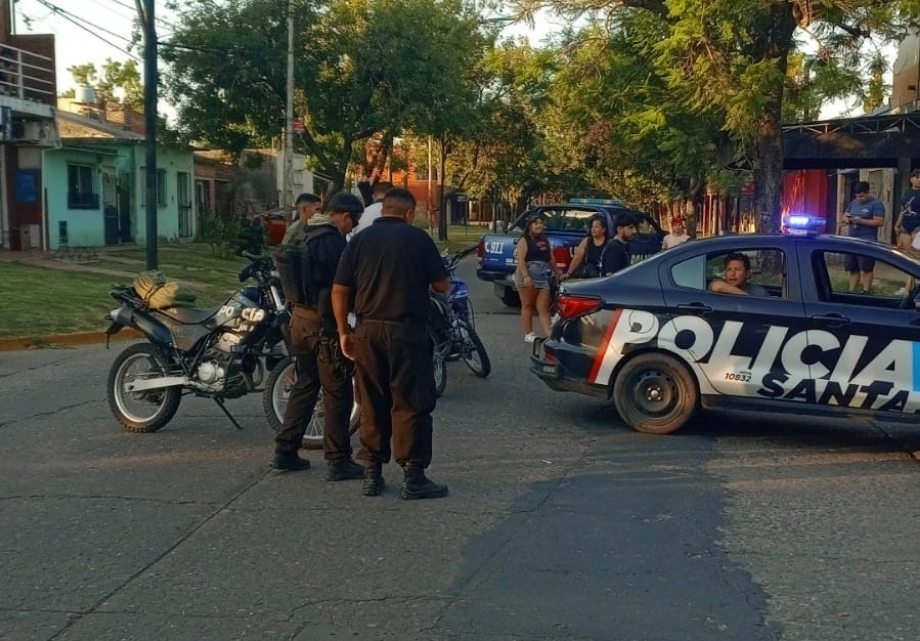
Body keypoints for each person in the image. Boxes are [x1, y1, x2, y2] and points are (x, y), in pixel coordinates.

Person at [331, 188, 451, 500]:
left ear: (383, 210)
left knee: (371, 401)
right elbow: (441, 285)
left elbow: (340, 289)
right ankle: (413, 476)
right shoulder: (418, 239)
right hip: (407, 332)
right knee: (411, 402)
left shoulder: (358, 240)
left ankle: (372, 473)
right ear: (408, 213)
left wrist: (344, 331)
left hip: (367, 332)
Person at [271, 193, 366, 478]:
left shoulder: (303, 231)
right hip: (322, 326)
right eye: (355, 221)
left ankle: (285, 452)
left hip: (298, 322)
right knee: (338, 391)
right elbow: (338, 289)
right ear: (345, 216)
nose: (354, 227)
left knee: (305, 385)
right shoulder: (332, 241)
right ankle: (338, 461)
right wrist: (343, 328)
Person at [513, 214, 559, 342]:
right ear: (529, 226)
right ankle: (528, 333)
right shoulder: (524, 240)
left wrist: (557, 272)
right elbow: (520, 259)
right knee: (528, 305)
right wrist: (526, 276)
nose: (539, 225)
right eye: (535, 223)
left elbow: (551, 258)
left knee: (543, 307)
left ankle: (550, 335)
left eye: (541, 223)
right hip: (527, 275)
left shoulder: (545, 240)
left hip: (542, 276)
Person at [840, 181, 885, 293]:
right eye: (857, 196)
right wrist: (847, 220)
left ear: (868, 192)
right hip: (852, 239)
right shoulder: (853, 203)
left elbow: (879, 222)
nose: (859, 199)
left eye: (862, 196)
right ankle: (851, 291)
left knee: (866, 268)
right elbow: (844, 216)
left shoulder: (876, 204)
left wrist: (860, 221)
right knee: (852, 268)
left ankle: (866, 291)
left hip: (867, 240)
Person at [894, 169, 920, 293]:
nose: (919, 180)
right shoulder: (907, 193)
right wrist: (897, 224)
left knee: (917, 254)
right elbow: (903, 210)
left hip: (918, 225)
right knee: (908, 256)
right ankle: (910, 285)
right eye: (916, 177)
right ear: (911, 179)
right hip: (905, 225)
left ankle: (909, 286)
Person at [560, 215, 609, 281]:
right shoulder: (586, 241)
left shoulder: (609, 243)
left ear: (603, 229)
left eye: (596, 227)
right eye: (592, 227)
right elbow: (577, 258)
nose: (593, 229)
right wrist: (569, 273)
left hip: (603, 276)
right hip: (588, 275)